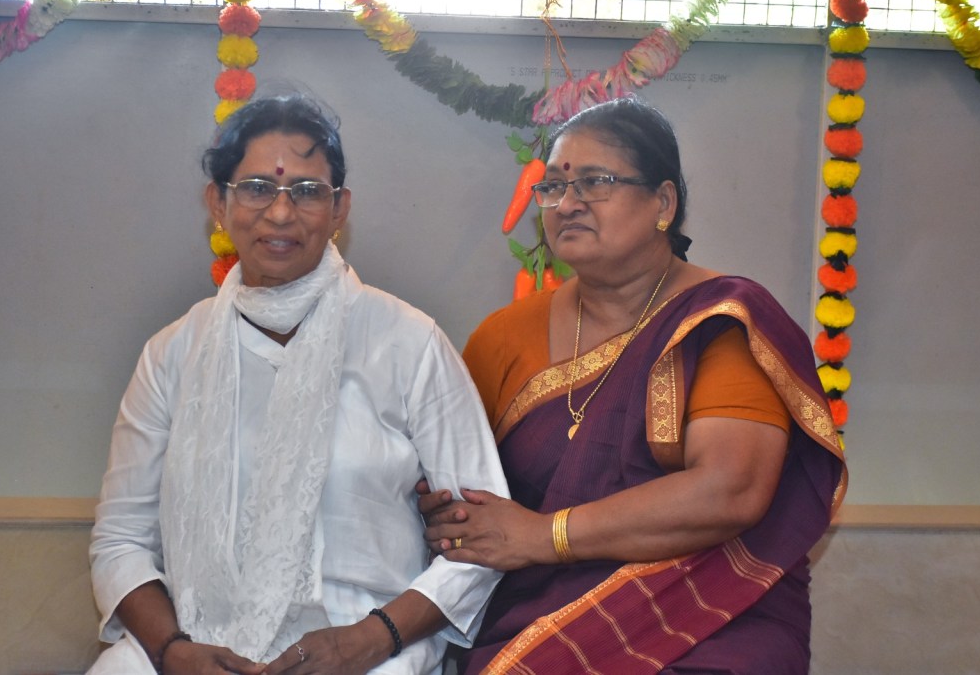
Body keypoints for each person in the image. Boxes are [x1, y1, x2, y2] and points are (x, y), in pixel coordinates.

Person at [421, 97, 847, 674]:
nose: (566, 204)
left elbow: (730, 489)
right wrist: (442, 507)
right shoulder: (503, 336)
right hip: (538, 617)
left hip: (712, 614)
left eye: (595, 182)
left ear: (663, 203)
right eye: (553, 187)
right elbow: (459, 485)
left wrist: (545, 536)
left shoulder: (719, 320)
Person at [87, 93, 509, 675]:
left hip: (368, 645)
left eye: (307, 191)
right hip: (193, 643)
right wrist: (173, 650)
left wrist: (370, 639)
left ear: (339, 210)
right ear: (218, 203)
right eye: (257, 188)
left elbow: (484, 539)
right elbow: (120, 541)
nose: (281, 213)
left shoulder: (409, 343)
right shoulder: (172, 354)